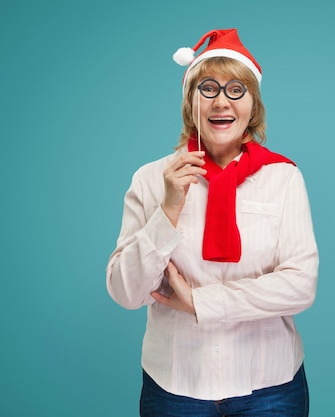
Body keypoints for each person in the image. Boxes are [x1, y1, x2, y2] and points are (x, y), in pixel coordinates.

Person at [106, 28, 318, 417]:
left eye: (236, 89)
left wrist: (200, 302)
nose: (222, 101)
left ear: (253, 106)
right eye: (208, 88)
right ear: (191, 104)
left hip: (270, 386)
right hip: (175, 386)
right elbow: (126, 292)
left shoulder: (285, 179)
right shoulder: (151, 180)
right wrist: (168, 209)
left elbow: (300, 286)